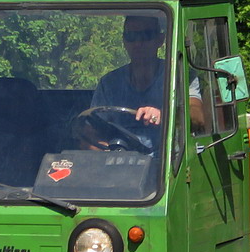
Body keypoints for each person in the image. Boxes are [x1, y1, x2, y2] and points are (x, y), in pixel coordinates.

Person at [85, 15, 203, 151]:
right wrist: (103, 150)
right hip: (122, 163)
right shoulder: (109, 83)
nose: (138, 43)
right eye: (131, 36)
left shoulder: (180, 76)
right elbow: (91, 130)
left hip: (168, 163)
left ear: (160, 39)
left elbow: (197, 117)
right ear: (124, 41)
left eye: (146, 35)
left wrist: (165, 115)